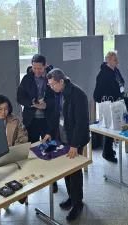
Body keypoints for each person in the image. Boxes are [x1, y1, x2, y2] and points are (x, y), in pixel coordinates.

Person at [42, 68, 89, 221]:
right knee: (66, 171)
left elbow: (81, 123)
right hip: (62, 138)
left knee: (74, 172)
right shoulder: (59, 93)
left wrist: (75, 145)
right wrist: (50, 132)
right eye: (49, 85)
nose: (51, 87)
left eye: (53, 84)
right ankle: (71, 197)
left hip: (75, 140)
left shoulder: (77, 94)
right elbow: (57, 115)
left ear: (61, 81)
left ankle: (77, 204)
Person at [17, 54, 58, 193]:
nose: (36, 71)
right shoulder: (27, 78)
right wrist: (32, 104)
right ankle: (34, 178)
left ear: (45, 65)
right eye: (34, 68)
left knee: (50, 150)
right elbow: (19, 97)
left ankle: (53, 180)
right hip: (32, 121)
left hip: (48, 121)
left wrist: (46, 105)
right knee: (32, 152)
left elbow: (58, 98)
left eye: (39, 69)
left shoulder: (52, 77)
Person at [93, 51, 128, 163]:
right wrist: (109, 98)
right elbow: (97, 94)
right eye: (114, 59)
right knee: (109, 128)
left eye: (117, 58)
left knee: (116, 125)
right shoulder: (102, 74)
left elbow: (121, 82)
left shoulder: (115, 70)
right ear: (108, 60)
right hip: (110, 104)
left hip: (118, 101)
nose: (117, 61)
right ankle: (107, 153)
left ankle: (112, 149)